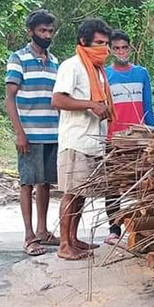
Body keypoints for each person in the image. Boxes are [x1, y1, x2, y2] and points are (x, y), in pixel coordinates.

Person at [51, 18, 114, 260]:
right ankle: (64, 244)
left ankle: (74, 238)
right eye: (99, 43)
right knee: (71, 193)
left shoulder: (98, 71)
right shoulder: (72, 66)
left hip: (92, 141)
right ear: (83, 42)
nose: (104, 49)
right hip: (75, 139)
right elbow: (57, 100)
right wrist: (90, 105)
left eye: (106, 43)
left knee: (81, 193)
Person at [5, 9, 60, 256]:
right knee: (27, 182)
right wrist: (19, 133)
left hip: (52, 131)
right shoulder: (18, 58)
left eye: (50, 31)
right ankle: (29, 236)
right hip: (29, 132)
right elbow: (10, 98)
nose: (46, 35)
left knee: (45, 182)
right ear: (31, 32)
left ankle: (43, 230)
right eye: (42, 31)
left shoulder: (55, 61)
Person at [104, 29, 154, 245]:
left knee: (142, 181)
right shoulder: (105, 75)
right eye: (116, 48)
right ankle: (114, 227)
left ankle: (143, 225)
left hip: (139, 136)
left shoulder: (141, 73)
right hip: (114, 137)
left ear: (130, 48)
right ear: (109, 50)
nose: (121, 51)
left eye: (124, 47)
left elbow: (148, 105)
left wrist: (152, 132)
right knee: (113, 184)